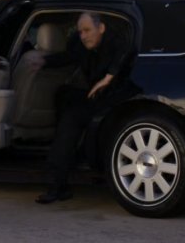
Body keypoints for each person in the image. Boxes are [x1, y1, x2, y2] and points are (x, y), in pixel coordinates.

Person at [35, 12, 133, 204]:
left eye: (87, 30)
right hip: (96, 97)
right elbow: (70, 57)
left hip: (118, 100)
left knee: (71, 120)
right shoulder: (84, 46)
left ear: (101, 28)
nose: (83, 36)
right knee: (65, 95)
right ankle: (67, 163)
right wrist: (43, 61)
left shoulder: (117, 41)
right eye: (80, 32)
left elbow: (127, 50)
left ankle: (58, 184)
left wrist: (108, 77)